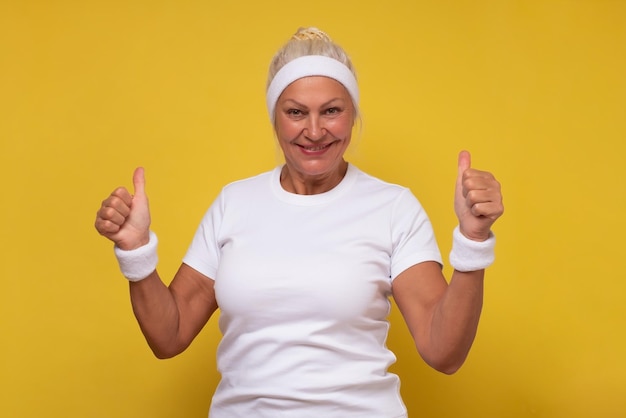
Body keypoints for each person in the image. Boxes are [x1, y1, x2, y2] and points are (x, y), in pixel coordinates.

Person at [95, 27, 504, 418]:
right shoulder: (234, 203)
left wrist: (473, 241)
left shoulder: (393, 207)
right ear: (275, 118)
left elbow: (443, 351)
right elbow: (169, 336)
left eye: (331, 111)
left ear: (352, 115)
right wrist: (136, 252)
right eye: (296, 112)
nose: (314, 131)